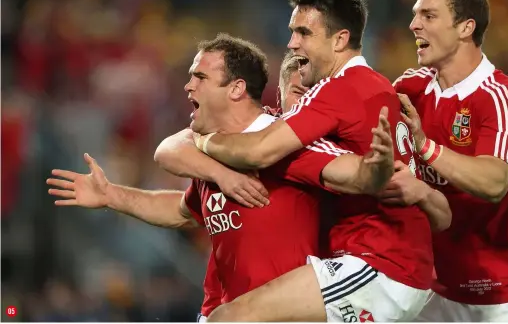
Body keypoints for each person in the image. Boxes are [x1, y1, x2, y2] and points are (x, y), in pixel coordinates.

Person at [47, 33, 400, 318]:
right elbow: (183, 211)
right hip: (221, 310)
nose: (188, 87)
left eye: (200, 77)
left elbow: (353, 175)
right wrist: (112, 195)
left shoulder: (284, 146)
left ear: (236, 89)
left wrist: (381, 165)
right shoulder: (209, 149)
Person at [193, 0, 447, 322]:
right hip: (397, 267)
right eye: (292, 32)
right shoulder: (376, 88)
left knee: (231, 318)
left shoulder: (342, 88)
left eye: (303, 33)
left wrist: (203, 141)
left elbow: (259, 150)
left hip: (379, 264)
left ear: (340, 40)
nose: (292, 43)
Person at [392, 0, 508, 322]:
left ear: (465, 28)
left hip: (501, 295)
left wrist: (425, 146)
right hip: (435, 290)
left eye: (429, 16)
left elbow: (494, 183)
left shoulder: (500, 98)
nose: (414, 24)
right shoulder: (411, 87)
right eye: (416, 14)